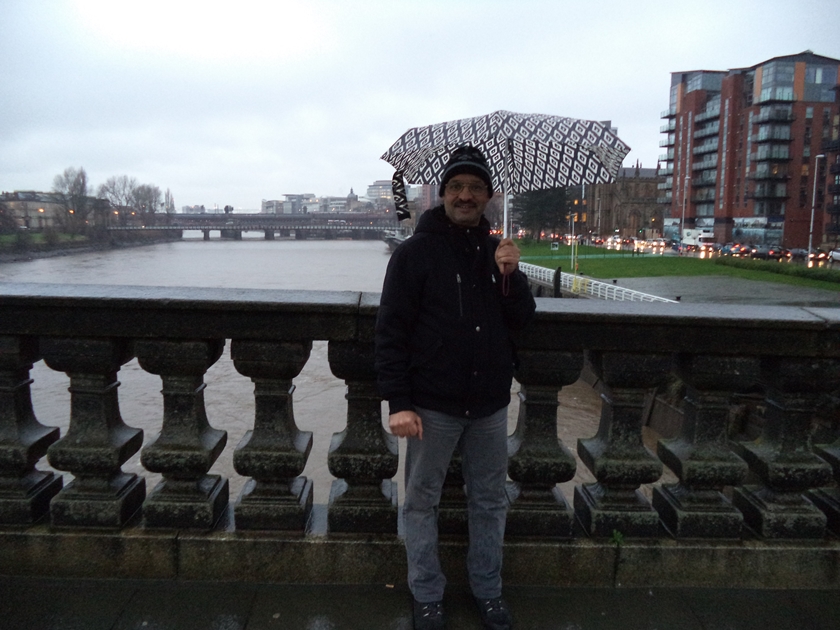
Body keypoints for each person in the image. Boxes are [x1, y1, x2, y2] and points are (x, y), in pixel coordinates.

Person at [375, 146, 536, 630]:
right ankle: (427, 595)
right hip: (432, 404)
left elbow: (521, 320)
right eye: (457, 187)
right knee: (421, 501)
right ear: (443, 194)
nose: (466, 195)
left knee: (489, 500)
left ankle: (488, 590)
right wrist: (399, 402)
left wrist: (512, 276)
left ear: (489, 196)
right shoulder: (414, 253)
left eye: (475, 188)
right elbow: (391, 331)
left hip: (489, 404)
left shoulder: (497, 252)